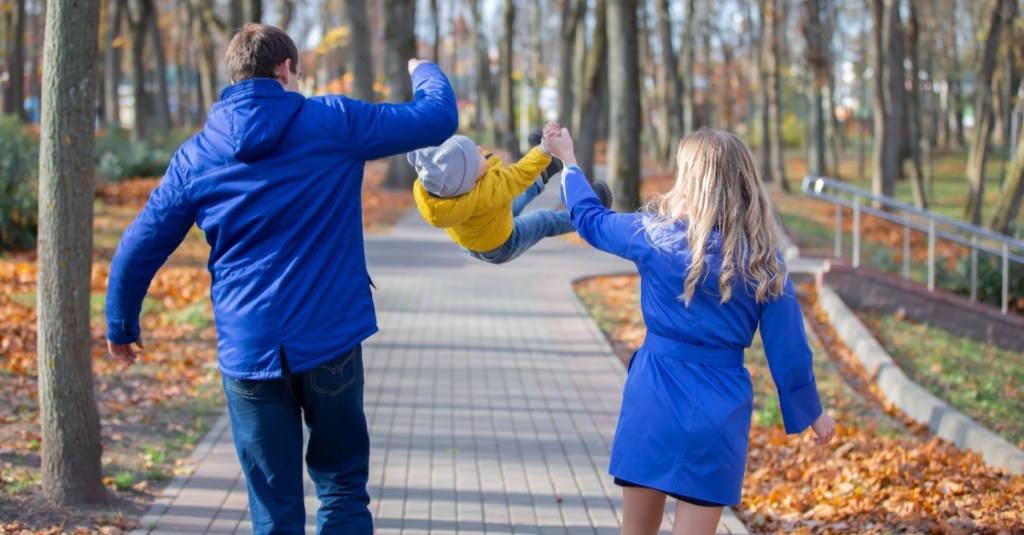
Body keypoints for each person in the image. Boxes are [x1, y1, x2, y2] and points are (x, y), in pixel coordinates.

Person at [104, 23, 458, 534]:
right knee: (341, 487)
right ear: (286, 69)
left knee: (274, 509)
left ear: (235, 75)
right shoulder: (332, 120)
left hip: (249, 352)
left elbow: (140, 245)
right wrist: (422, 70)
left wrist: (121, 324)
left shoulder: (196, 157)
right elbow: (437, 117)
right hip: (330, 339)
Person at [544, 127, 837, 534]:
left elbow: (592, 221)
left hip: (654, 399)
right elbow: (789, 349)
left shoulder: (655, 238)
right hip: (720, 411)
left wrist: (569, 161)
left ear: (690, 180)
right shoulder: (765, 265)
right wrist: (812, 412)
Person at [408, 122, 612, 264]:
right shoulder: (487, 192)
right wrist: (543, 149)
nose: (480, 149)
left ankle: (544, 172)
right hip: (502, 244)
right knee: (544, 219)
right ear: (470, 182)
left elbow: (443, 162)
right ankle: (588, 212)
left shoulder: (434, 184)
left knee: (513, 198)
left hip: (482, 229)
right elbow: (518, 175)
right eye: (476, 155)